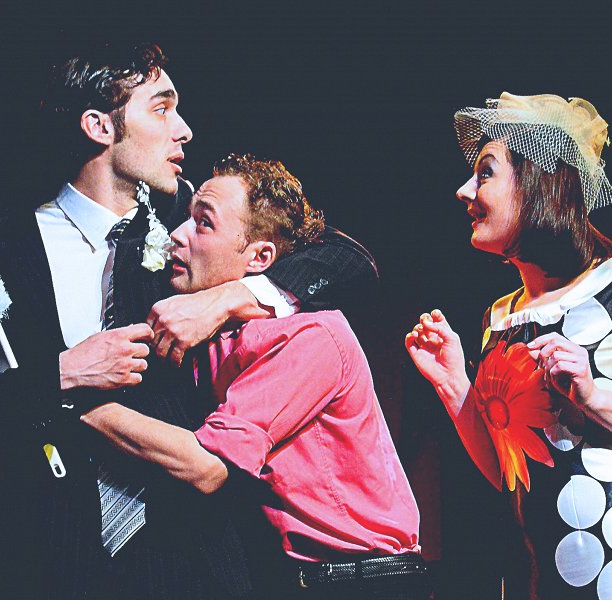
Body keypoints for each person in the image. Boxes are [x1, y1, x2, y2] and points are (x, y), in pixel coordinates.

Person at [0, 42, 378, 600]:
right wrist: (60, 375)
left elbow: (348, 261)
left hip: (193, 554)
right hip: (50, 554)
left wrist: (228, 298)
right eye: (161, 108)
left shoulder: (190, 223)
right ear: (99, 126)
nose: (184, 130)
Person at [405, 93, 612, 599]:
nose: (464, 191)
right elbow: (510, 473)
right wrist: (453, 382)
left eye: (485, 173)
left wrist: (594, 398)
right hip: (539, 570)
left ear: (537, 184)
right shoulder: (498, 318)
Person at [82, 153, 429, 600]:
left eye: (203, 224)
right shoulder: (210, 334)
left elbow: (206, 467)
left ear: (261, 257)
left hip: (359, 582)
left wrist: (73, 401)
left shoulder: (309, 335)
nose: (177, 235)